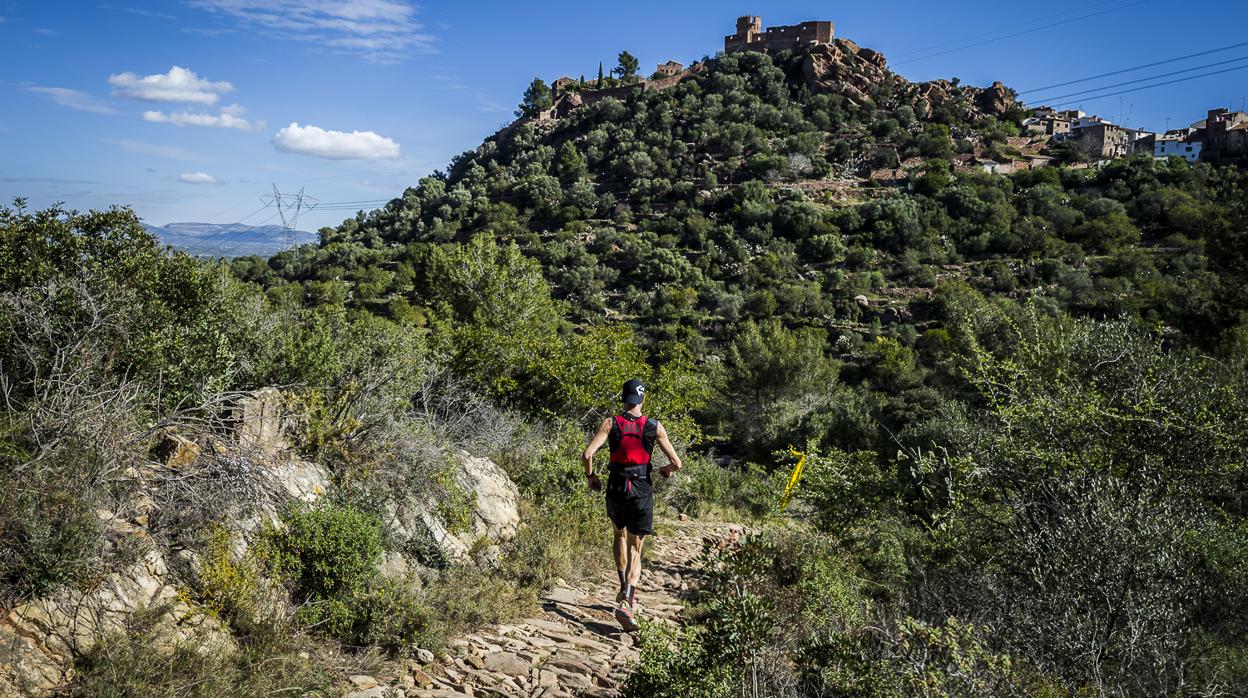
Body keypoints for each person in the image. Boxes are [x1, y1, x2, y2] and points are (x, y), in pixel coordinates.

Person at [582, 379, 682, 632]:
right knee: (636, 548)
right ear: (642, 399)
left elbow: (587, 454)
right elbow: (677, 462)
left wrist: (591, 477)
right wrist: (667, 470)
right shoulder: (654, 426)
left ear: (623, 398)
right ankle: (627, 601)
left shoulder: (610, 423)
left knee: (618, 534)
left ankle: (621, 587)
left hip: (616, 487)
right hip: (640, 489)